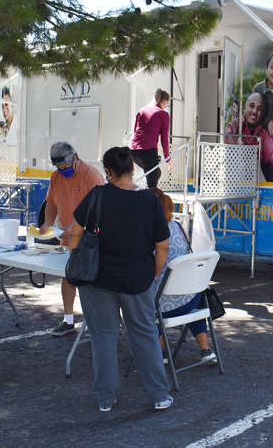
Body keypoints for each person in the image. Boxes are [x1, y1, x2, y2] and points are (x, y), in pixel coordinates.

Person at [69, 146, 173, 412]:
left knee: (103, 337)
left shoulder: (98, 195)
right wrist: (155, 273)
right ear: (133, 169)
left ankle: (106, 397)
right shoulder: (149, 201)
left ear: (107, 171)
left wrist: (77, 257)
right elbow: (163, 246)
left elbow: (74, 234)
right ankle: (159, 395)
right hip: (138, 280)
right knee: (145, 335)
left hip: (97, 280)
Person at [40, 142, 104, 336]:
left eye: (66, 167)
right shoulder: (56, 176)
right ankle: (68, 320)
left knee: (92, 280)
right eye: (59, 168)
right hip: (68, 238)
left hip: (91, 238)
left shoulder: (92, 176)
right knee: (69, 276)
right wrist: (48, 223)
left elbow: (100, 211)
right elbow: (51, 202)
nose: (62, 171)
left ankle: (98, 323)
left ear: (74, 158)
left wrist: (77, 227)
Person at [148, 188, 217, 364]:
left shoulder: (148, 232)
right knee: (191, 293)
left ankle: (162, 352)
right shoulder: (178, 227)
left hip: (163, 305)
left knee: (145, 303)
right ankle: (206, 350)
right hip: (190, 299)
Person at [224, 92, 273, 183]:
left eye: (259, 109)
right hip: (234, 182)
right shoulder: (234, 126)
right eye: (252, 106)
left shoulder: (263, 134)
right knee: (253, 159)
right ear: (245, 107)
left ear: (262, 114)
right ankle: (263, 195)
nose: (254, 111)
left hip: (256, 184)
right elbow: (229, 149)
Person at [130, 88, 171, 188]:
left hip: (133, 151)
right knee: (152, 186)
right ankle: (147, 200)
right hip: (148, 151)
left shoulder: (142, 110)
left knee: (156, 173)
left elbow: (135, 131)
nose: (167, 107)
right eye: (168, 105)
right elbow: (164, 139)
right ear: (165, 101)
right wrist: (167, 158)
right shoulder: (163, 114)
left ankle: (144, 195)